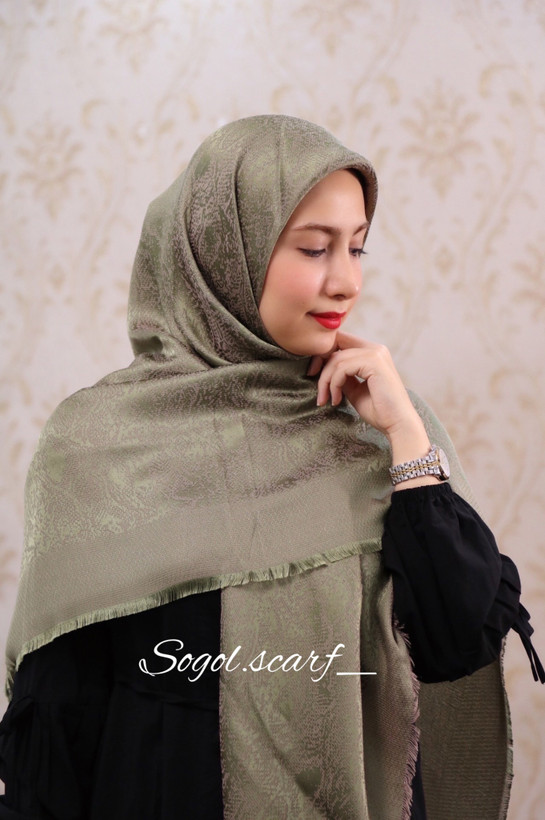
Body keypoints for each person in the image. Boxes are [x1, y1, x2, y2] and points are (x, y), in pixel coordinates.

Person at [0, 115, 542, 820]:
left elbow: (456, 642)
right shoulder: (99, 444)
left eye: (357, 248)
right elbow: (59, 725)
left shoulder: (383, 434)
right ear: (224, 254)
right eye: (315, 248)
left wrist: (407, 438)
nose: (345, 281)